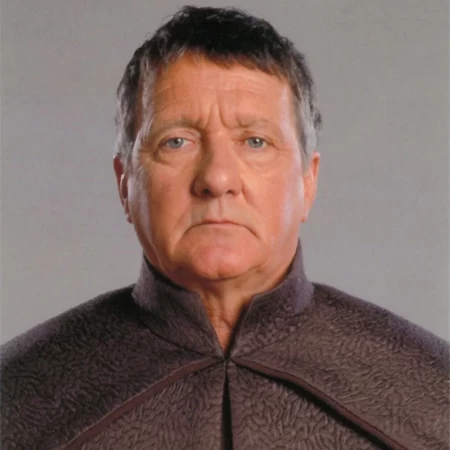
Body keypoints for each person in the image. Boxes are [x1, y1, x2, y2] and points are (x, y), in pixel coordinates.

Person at [1, 5, 448, 450]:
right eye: (176, 141)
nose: (217, 178)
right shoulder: (14, 398)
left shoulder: (435, 394)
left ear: (308, 181)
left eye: (255, 141)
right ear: (125, 183)